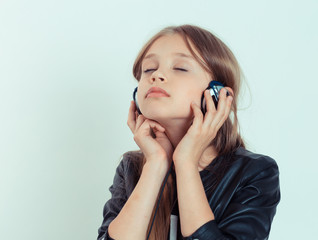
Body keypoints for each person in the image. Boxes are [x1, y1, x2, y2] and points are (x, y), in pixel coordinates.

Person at [97, 24, 280, 240]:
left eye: (181, 68)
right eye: (148, 69)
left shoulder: (255, 172)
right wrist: (156, 165)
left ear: (219, 94)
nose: (157, 75)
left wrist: (185, 162)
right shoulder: (131, 169)